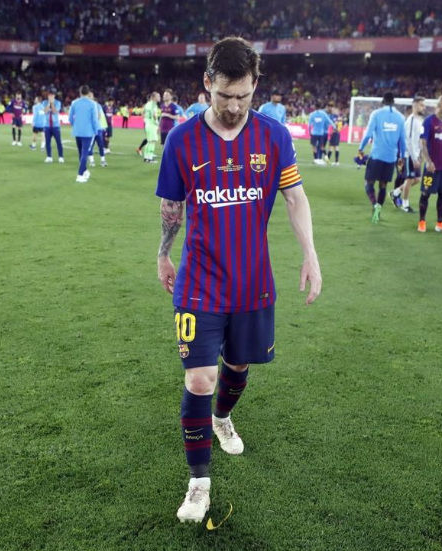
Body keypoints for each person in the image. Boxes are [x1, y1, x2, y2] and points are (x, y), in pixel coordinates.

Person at [155, 36, 322, 525]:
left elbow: (295, 198)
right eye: (224, 95)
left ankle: (222, 418)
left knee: (238, 365)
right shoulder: (181, 140)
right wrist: (163, 254)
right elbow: (171, 206)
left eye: (243, 96)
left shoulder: (274, 136)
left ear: (255, 85)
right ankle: (198, 484)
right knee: (199, 377)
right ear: (207, 83)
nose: (233, 107)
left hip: (252, 282)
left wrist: (311, 255)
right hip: (199, 282)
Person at [358, 92, 406, 223]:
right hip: (391, 158)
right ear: (394, 102)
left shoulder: (376, 114)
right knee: (383, 186)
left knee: (368, 183)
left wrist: (361, 148)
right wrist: (402, 157)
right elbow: (403, 140)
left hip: (377, 155)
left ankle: (375, 204)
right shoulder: (400, 118)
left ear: (382, 101)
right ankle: (379, 208)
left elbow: (368, 134)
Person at [418, 95, 442, 234]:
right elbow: (423, 143)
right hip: (432, 168)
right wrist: (428, 161)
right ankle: (422, 221)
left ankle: (440, 223)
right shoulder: (429, 122)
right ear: (441, 105)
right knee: (425, 193)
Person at [391, 95, 426, 214]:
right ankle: (405, 205)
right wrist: (414, 158)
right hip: (409, 155)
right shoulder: (411, 120)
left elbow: (419, 139)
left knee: (417, 179)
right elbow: (409, 141)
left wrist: (420, 154)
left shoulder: (419, 120)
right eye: (421, 105)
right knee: (410, 179)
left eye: (424, 105)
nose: (424, 107)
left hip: (415, 155)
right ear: (414, 105)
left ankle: (395, 193)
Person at [69, 85, 99, 182]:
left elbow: (70, 118)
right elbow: (94, 119)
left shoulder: (74, 103)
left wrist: (75, 125)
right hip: (88, 132)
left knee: (80, 152)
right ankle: (80, 175)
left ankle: (85, 170)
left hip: (78, 131)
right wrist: (96, 130)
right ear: (88, 93)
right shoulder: (92, 104)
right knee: (84, 153)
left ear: (80, 92)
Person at [86, 91, 108, 168]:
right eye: (88, 96)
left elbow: (99, 116)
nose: (89, 97)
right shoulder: (86, 106)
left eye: (91, 96)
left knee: (101, 145)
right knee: (90, 146)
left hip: (98, 128)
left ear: (92, 97)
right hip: (90, 129)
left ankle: (103, 160)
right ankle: (92, 161)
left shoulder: (97, 105)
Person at [41, 90, 64, 164]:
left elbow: (55, 111)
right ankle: (49, 157)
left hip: (55, 126)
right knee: (47, 142)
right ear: (48, 96)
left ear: (54, 96)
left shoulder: (58, 103)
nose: (50, 97)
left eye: (52, 95)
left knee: (58, 142)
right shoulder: (44, 102)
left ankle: (60, 157)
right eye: (49, 95)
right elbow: (45, 111)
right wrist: (48, 104)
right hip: (47, 125)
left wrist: (52, 104)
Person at [139, 91, 160, 163]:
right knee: (152, 141)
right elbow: (154, 115)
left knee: (149, 141)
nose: (159, 98)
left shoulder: (147, 104)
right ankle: (150, 158)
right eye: (158, 96)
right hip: (152, 125)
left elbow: (142, 112)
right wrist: (157, 123)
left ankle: (146, 157)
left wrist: (145, 120)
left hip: (147, 124)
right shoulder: (154, 105)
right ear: (153, 97)